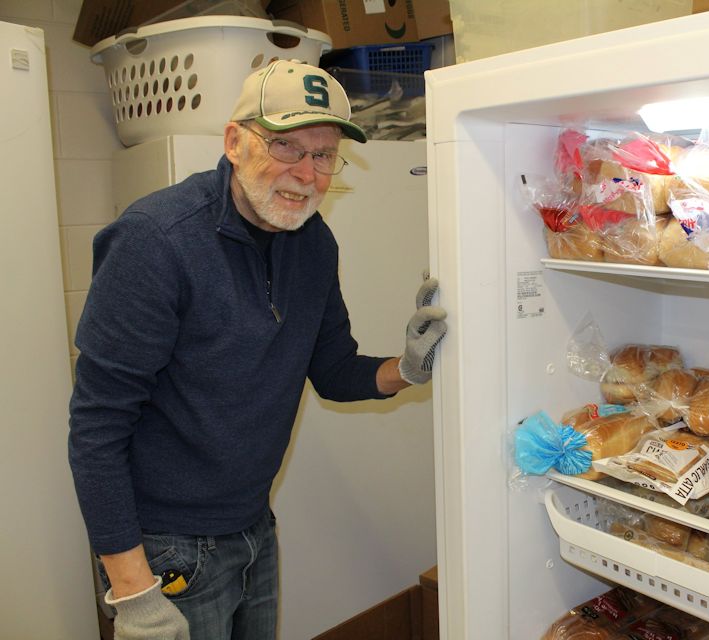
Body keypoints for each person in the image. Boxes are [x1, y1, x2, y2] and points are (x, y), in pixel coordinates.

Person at [67, 59, 447, 640]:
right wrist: (133, 593)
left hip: (253, 527)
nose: (306, 173)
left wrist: (409, 368)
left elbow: (334, 371)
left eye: (323, 155)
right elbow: (96, 426)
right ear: (234, 141)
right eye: (286, 146)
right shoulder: (156, 240)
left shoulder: (314, 242)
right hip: (165, 549)